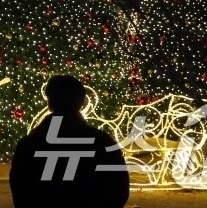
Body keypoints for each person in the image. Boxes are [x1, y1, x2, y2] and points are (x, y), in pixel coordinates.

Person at [9, 74, 129, 208]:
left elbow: (21, 193)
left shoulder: (29, 145)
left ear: (49, 103)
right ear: (81, 103)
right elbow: (118, 190)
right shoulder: (103, 143)